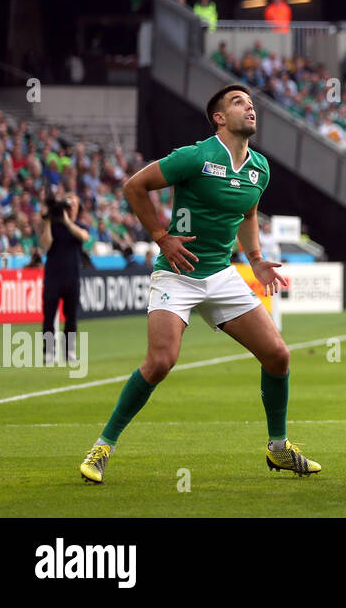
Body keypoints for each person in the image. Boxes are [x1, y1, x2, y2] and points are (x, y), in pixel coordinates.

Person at [78, 84, 317, 484]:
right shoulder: (195, 156)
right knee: (161, 362)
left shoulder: (260, 167)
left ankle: (279, 448)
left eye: (251, 103)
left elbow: (248, 214)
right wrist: (160, 236)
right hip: (178, 273)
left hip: (222, 274)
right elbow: (134, 187)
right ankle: (102, 447)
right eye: (239, 103)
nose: (250, 107)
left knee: (278, 355)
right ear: (219, 118)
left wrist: (255, 260)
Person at [39, 190, 88, 365]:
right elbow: (46, 244)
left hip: (72, 278)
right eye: (68, 203)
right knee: (49, 315)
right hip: (53, 276)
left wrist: (67, 221)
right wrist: (47, 221)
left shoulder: (80, 227)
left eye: (73, 203)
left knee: (71, 316)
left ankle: (69, 352)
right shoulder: (53, 226)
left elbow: (83, 237)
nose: (70, 207)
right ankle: (49, 352)